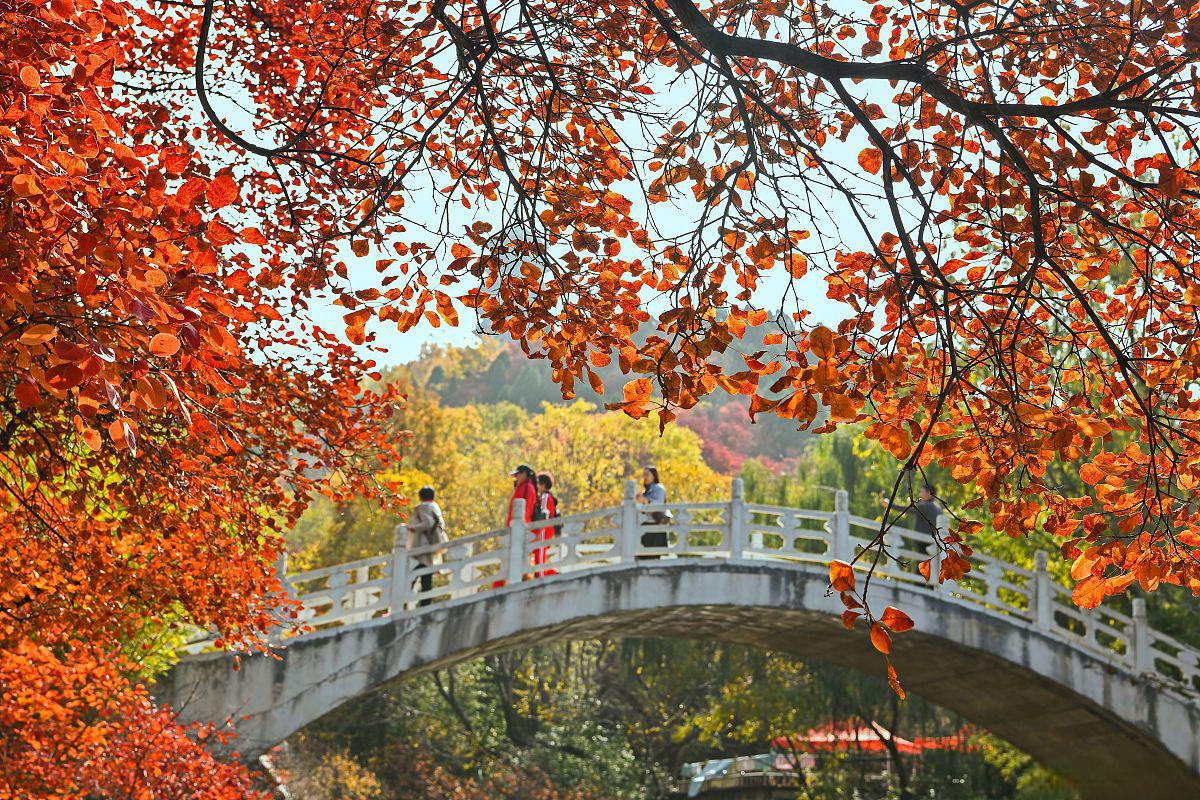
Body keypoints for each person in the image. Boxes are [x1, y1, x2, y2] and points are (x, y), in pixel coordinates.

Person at [406, 485, 448, 607]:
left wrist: (413, 528)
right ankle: (425, 602)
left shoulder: (424, 507)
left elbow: (428, 523)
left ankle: (410, 598)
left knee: (418, 571)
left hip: (425, 542)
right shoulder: (434, 506)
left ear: (420, 497)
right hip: (434, 540)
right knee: (426, 570)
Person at [635, 465, 670, 558]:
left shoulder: (659, 488)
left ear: (654, 476)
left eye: (647, 474)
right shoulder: (645, 491)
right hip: (644, 525)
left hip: (655, 524)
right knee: (643, 556)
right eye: (643, 475)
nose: (645, 477)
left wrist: (645, 500)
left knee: (652, 556)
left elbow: (658, 504)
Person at [531, 472, 560, 577]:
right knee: (540, 556)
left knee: (540, 554)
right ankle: (552, 573)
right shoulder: (545, 497)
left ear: (543, 485)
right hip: (546, 530)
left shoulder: (546, 497)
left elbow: (544, 514)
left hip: (545, 530)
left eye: (538, 483)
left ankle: (542, 575)